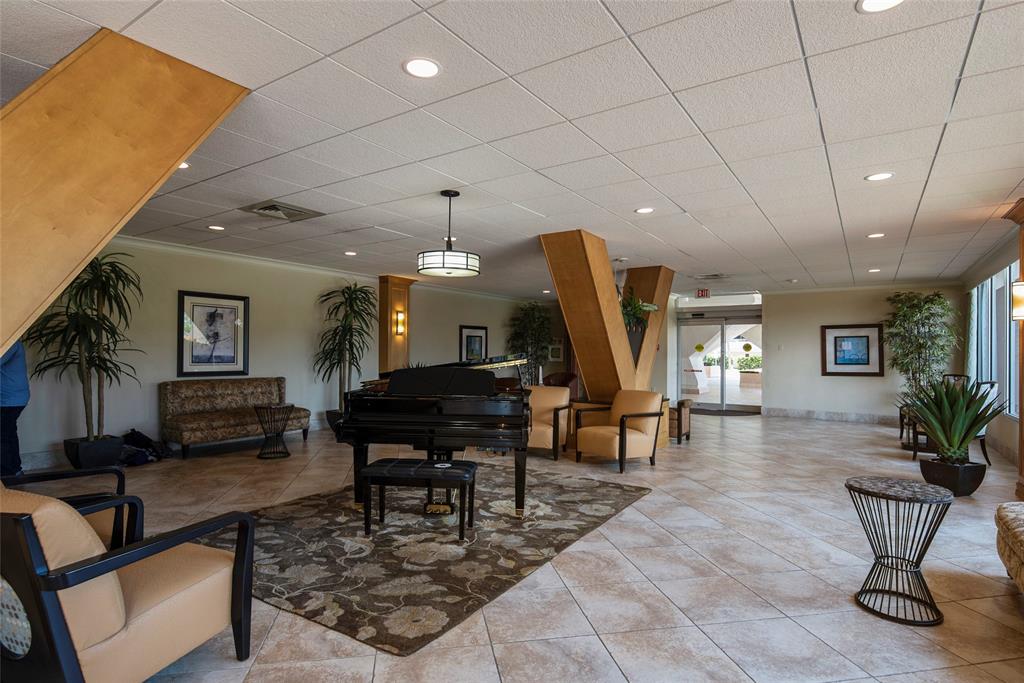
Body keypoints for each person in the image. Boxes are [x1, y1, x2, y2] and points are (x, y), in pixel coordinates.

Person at [1, 341, 30, 477]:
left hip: (9, 400)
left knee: (3, 437)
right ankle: (15, 471)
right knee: (8, 435)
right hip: (10, 399)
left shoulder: (10, 342)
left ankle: (7, 474)